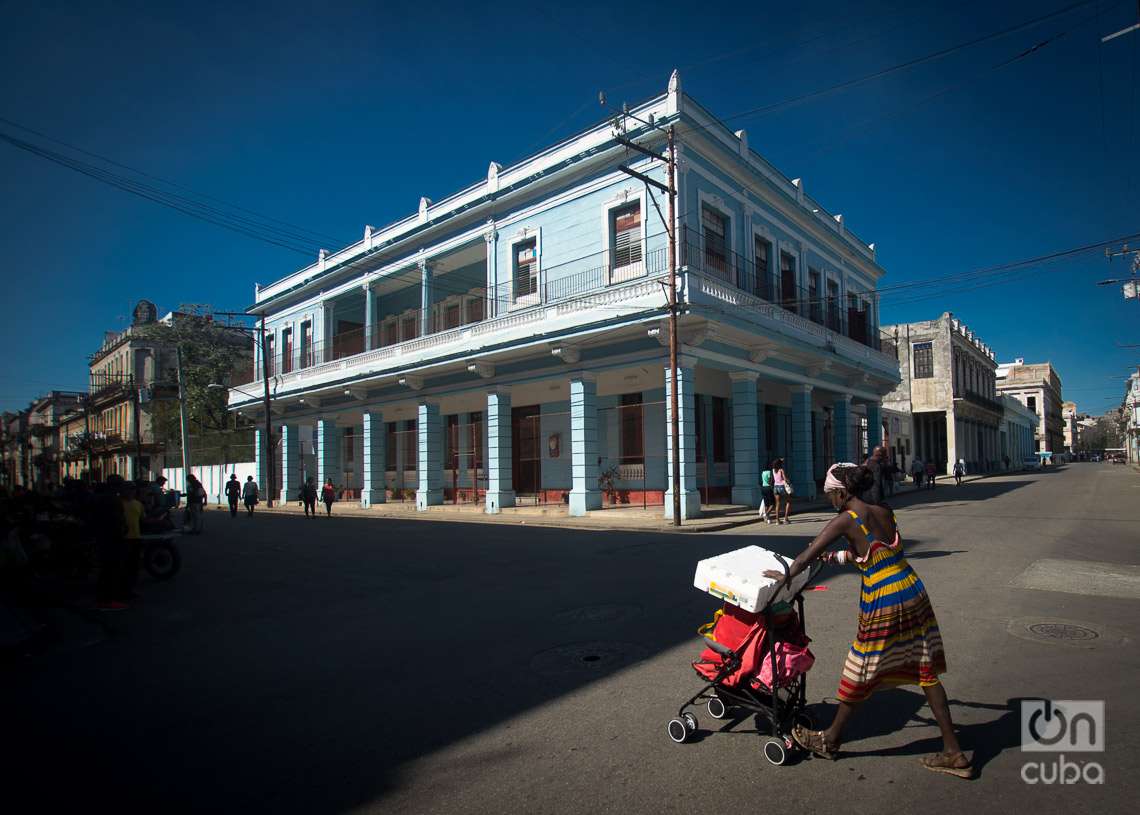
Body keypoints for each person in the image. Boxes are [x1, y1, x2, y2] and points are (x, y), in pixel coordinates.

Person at [762, 463, 970, 779]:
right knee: (926, 670)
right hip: (911, 587)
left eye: (830, 494)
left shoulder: (844, 520)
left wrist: (785, 576)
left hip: (884, 598)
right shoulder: (882, 511)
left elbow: (806, 554)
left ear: (842, 492)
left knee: (860, 668)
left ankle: (829, 739)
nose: (829, 499)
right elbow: (871, 551)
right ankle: (954, 753)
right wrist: (832, 558)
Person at [92, 475, 128, 611]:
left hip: (105, 537)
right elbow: (115, 519)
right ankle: (106, 600)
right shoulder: (111, 499)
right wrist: (121, 530)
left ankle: (107, 598)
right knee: (111, 568)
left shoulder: (104, 497)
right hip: (111, 538)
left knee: (108, 568)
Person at [119, 481, 145, 601]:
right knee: (123, 566)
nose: (131, 492)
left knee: (134, 566)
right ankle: (122, 590)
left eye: (133, 489)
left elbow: (142, 520)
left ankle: (131, 589)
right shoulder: (118, 504)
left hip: (136, 538)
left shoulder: (138, 504)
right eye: (128, 489)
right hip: (123, 539)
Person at [771, 458, 792, 524]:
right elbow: (785, 479)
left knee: (778, 504)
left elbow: (777, 461)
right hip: (782, 487)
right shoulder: (781, 470)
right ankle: (786, 519)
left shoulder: (773, 470)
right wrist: (789, 481)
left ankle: (777, 520)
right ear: (780, 464)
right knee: (788, 502)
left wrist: (780, 460)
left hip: (775, 487)